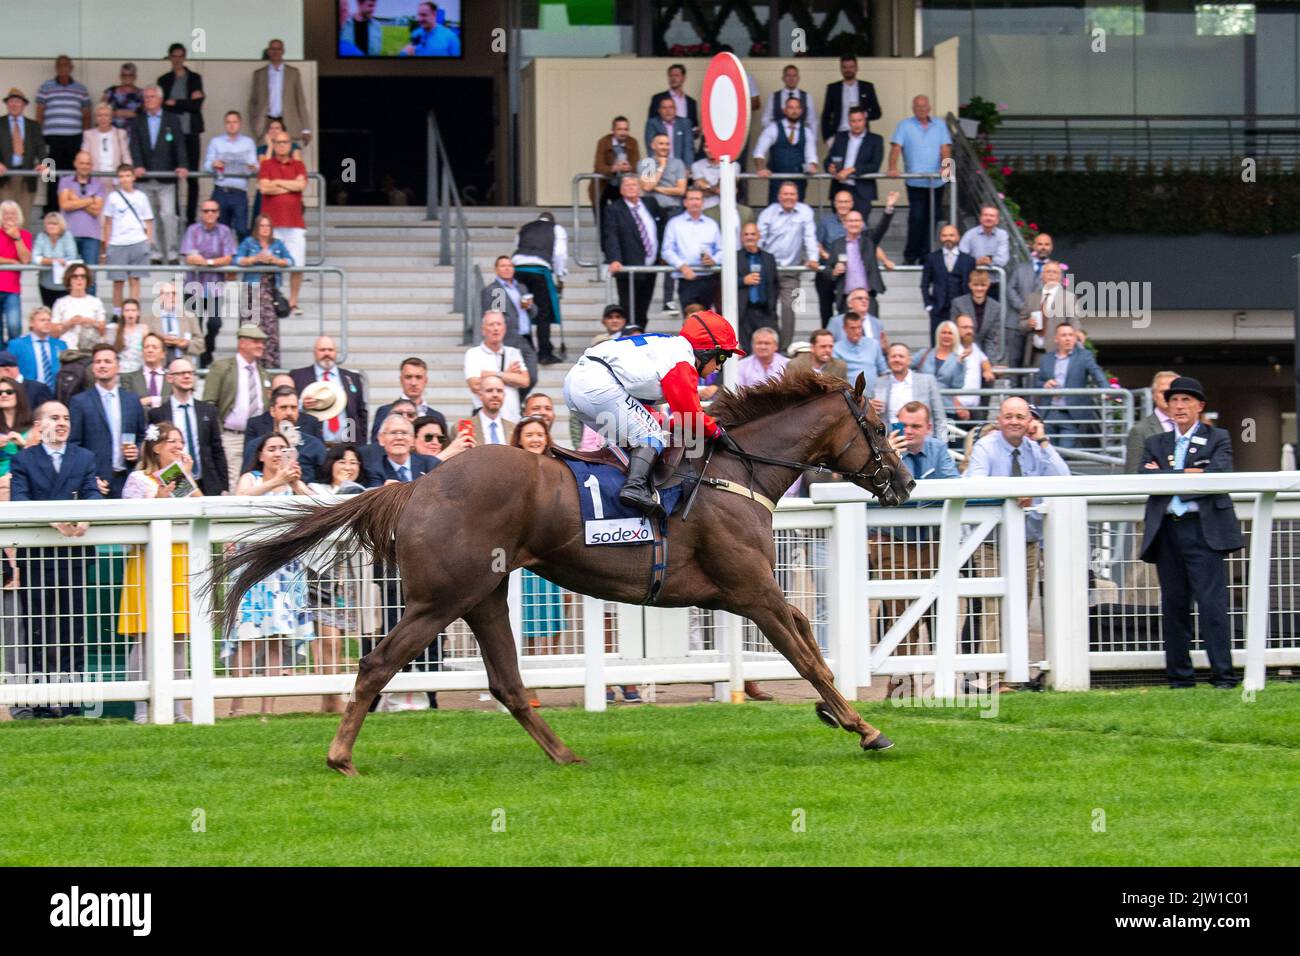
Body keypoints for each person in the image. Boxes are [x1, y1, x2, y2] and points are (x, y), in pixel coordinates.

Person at [564, 310, 745, 517]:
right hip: (596, 383)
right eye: (722, 356)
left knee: (628, 440)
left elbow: (641, 400)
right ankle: (634, 489)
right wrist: (718, 433)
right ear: (705, 351)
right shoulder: (683, 362)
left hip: (581, 383)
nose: (720, 366)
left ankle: (612, 494)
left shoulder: (671, 349)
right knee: (651, 436)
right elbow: (691, 415)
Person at [1138, 376, 1243, 689]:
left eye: (1186, 400)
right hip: (1167, 529)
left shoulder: (1218, 437)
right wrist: (1191, 473)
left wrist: (1170, 476)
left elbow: (1218, 475)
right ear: (1167, 407)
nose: (1180, 406)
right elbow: (1144, 475)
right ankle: (1180, 678)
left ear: (1200, 406)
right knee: (1173, 604)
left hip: (1202, 530)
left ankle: (1223, 675)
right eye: (1174, 401)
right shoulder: (1155, 442)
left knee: (1212, 604)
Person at [8, 401, 101, 713]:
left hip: (74, 555)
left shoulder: (84, 456)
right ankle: (41, 700)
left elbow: (92, 494)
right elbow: (19, 500)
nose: (62, 423)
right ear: (38, 425)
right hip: (37, 558)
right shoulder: (23, 460)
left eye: (66, 418)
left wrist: (86, 517)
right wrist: (52, 519)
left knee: (73, 628)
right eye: (54, 418)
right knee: (37, 628)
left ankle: (73, 700)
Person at [225, 431, 315, 717]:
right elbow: (240, 500)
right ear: (261, 454)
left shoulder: (293, 484)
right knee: (248, 636)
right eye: (272, 448)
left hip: (285, 571)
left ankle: (267, 711)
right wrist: (276, 481)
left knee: (277, 638)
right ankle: (237, 706)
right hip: (251, 568)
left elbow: (318, 506)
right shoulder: (250, 478)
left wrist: (295, 482)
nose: (278, 453)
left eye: (283, 449)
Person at [118, 421, 197, 723]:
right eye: (172, 441)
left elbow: (200, 507)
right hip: (147, 563)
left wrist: (186, 477)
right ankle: (141, 709)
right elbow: (132, 520)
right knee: (145, 635)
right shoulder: (138, 479)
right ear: (156, 447)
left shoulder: (181, 477)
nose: (178, 446)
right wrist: (163, 495)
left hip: (179, 559)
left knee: (178, 635)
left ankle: (177, 709)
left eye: (181, 441)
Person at [964, 396, 1070, 609]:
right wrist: (1011, 494)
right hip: (991, 543)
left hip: (1027, 542)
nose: (1014, 421)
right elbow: (975, 484)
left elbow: (1063, 478)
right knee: (991, 611)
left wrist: (1043, 441)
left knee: (1021, 608)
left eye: (1020, 417)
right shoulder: (986, 446)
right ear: (999, 419)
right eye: (1009, 416)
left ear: (1030, 421)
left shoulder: (1036, 449)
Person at [305, 443, 366, 713]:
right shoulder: (317, 490)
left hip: (347, 575)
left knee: (336, 639)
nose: (348, 466)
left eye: (353, 462)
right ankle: (331, 698)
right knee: (329, 639)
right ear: (330, 464)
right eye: (342, 461)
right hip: (319, 572)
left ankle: (330, 699)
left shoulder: (361, 493)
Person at [513, 416, 566, 676]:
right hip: (524, 550)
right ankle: (530, 674)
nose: (535, 439)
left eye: (539, 434)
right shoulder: (512, 470)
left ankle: (552, 665)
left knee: (555, 611)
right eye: (529, 434)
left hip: (553, 550)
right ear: (520, 440)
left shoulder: (558, 467)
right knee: (530, 616)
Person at [67, 343, 146, 497]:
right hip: (94, 483)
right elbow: (73, 445)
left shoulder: (132, 400)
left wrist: (137, 450)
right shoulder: (79, 402)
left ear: (118, 367)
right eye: (98, 362)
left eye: (107, 361)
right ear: (93, 367)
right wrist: (89, 478)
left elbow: (142, 436)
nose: (102, 365)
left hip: (127, 479)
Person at [146, 356, 228, 496]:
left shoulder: (208, 410)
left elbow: (217, 450)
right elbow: (154, 452)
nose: (187, 376)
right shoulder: (157, 414)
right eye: (181, 373)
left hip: (208, 480)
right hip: (173, 477)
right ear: (170, 378)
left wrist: (224, 487)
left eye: (190, 373)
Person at [204, 324, 270, 493]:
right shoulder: (222, 368)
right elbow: (209, 402)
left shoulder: (262, 372)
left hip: (258, 437)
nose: (261, 346)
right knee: (233, 480)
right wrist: (217, 433)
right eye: (256, 341)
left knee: (257, 478)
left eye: (262, 342)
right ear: (242, 343)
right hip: (232, 435)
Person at [887, 94, 952, 265]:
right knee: (916, 218)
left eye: (924, 106)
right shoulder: (905, 125)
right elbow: (896, 148)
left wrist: (947, 174)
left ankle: (925, 257)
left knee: (933, 218)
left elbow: (945, 149)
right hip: (915, 181)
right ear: (913, 109)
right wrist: (892, 167)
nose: (921, 109)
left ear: (929, 108)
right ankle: (910, 256)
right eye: (917, 107)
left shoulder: (940, 124)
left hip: (936, 182)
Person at [126, 86, 187, 264]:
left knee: (168, 215)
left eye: (152, 97)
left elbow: (180, 145)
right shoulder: (138, 122)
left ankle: (172, 252)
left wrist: (182, 165)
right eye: (146, 97)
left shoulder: (172, 119)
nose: (149, 100)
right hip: (145, 177)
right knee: (149, 217)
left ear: (160, 99)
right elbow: (134, 146)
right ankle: (155, 253)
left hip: (166, 176)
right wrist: (137, 166)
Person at [757, 181, 819, 350]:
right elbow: (759, 240)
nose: (789, 197)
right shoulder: (768, 213)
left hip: (791, 270)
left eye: (792, 194)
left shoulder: (805, 212)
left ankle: (784, 347)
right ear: (779, 196)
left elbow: (809, 236)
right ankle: (768, 345)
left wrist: (813, 257)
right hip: (768, 269)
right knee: (768, 308)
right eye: (785, 194)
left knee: (788, 308)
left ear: (797, 196)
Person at [233, 213, 292, 367]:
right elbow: (237, 259)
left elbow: (291, 261)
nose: (265, 229)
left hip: (269, 293)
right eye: (262, 226)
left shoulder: (277, 244)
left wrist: (276, 261)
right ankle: (248, 366)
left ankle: (271, 368)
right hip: (251, 291)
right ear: (257, 228)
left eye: (268, 226)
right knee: (249, 331)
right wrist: (255, 259)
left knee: (271, 333)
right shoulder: (248, 242)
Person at [257, 130, 307, 314]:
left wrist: (277, 182)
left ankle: (293, 302)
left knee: (298, 265)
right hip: (271, 225)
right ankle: (270, 300)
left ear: (290, 144)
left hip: (295, 224)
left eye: (285, 142)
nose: (282, 145)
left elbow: (301, 185)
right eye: (278, 142)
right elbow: (264, 188)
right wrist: (288, 185)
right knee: (268, 263)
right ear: (274, 144)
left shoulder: (298, 164)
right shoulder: (267, 164)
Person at [1036, 323, 1109, 448]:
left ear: (1075, 338)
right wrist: (1045, 384)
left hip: (1070, 414)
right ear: (1056, 339)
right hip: (1049, 413)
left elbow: (1096, 372)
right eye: (1064, 335)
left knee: (1065, 452)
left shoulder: (1084, 356)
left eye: (1071, 335)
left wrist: (1107, 389)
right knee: (1047, 452)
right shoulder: (1046, 359)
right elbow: (1037, 383)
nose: (1068, 338)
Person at [181, 199, 237, 360]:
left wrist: (208, 262)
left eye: (213, 211)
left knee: (215, 324)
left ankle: (207, 350)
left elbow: (227, 258)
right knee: (194, 325)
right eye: (206, 211)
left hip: (214, 286)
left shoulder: (225, 231)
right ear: (201, 213)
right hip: (193, 286)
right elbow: (189, 257)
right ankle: (196, 359)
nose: (210, 214)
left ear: (218, 213)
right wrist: (201, 260)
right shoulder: (193, 230)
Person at [602, 174, 660, 329]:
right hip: (627, 266)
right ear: (621, 190)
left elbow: (661, 228)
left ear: (640, 188)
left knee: (643, 307)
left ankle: (641, 337)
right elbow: (610, 235)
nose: (631, 187)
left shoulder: (651, 203)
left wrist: (662, 255)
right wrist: (614, 258)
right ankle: (628, 339)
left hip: (650, 266)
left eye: (634, 184)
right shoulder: (613, 209)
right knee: (628, 308)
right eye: (627, 185)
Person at [158, 43, 205, 226]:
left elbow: (197, 106)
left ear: (185, 57)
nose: (177, 59)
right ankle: (176, 216)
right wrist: (185, 102)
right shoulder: (163, 80)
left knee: (192, 177)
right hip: (172, 134)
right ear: (170, 57)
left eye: (180, 55)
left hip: (191, 132)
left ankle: (191, 219)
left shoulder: (195, 78)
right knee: (174, 176)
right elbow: (162, 106)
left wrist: (174, 102)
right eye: (174, 56)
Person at [511, 211, 567, 364]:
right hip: (540, 270)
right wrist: (559, 276)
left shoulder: (524, 228)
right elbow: (560, 254)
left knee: (523, 310)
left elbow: (517, 246)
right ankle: (544, 353)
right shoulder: (557, 229)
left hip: (518, 270)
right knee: (543, 313)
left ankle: (526, 350)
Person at [290, 335, 367, 444]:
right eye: (322, 350)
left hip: (346, 447)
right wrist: (302, 405)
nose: (327, 353)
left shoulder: (352, 378)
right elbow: (288, 408)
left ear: (336, 352)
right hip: (313, 447)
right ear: (314, 353)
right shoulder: (297, 376)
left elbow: (361, 413)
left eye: (330, 350)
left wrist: (360, 442)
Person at [826, 198, 896, 314]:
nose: (854, 224)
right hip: (846, 298)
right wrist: (834, 271)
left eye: (857, 221)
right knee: (847, 331)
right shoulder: (837, 244)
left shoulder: (869, 241)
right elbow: (827, 269)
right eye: (851, 221)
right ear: (844, 224)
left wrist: (888, 208)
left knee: (870, 330)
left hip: (867, 297)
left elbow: (882, 228)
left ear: (862, 224)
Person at [100, 164, 154, 311]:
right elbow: (108, 222)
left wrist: (148, 241)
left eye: (127, 175)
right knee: (118, 281)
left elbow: (149, 220)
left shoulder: (141, 197)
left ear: (133, 177)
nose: (124, 179)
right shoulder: (112, 197)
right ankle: (117, 313)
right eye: (121, 176)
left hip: (138, 241)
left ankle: (133, 312)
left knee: (135, 280)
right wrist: (107, 245)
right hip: (117, 243)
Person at [662, 187, 722, 311]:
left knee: (706, 319)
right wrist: (682, 266)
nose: (695, 202)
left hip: (708, 277)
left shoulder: (711, 224)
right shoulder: (675, 223)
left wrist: (714, 260)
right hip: (686, 278)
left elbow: (722, 249)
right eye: (691, 199)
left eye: (698, 199)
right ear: (685, 203)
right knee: (690, 320)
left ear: (703, 202)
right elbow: (667, 250)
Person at [872, 343, 949, 436]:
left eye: (901, 356)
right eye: (893, 356)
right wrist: (870, 407)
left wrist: (942, 443)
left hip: (922, 439)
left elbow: (940, 416)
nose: (897, 359)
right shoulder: (879, 383)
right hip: (890, 440)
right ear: (888, 360)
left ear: (909, 360)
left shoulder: (927, 381)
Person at [753, 97, 818, 205]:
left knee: (798, 211)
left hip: (799, 181)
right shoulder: (772, 129)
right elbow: (759, 153)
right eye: (791, 107)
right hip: (777, 181)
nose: (794, 111)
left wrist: (813, 166)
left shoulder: (807, 132)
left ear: (801, 111)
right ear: (784, 110)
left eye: (797, 108)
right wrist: (761, 168)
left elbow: (811, 157)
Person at [56, 151, 107, 291]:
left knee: (90, 276)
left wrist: (75, 198)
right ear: (75, 164)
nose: (84, 166)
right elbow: (65, 205)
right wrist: (90, 200)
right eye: (82, 163)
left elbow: (96, 210)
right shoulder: (65, 181)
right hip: (68, 234)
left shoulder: (98, 184)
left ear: (91, 166)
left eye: (88, 163)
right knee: (67, 275)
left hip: (91, 235)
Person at [465, 311, 529, 422]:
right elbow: (475, 385)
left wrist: (492, 374)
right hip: (486, 420)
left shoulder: (513, 353)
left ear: (504, 329)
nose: (495, 328)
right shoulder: (473, 354)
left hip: (512, 420)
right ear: (483, 330)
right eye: (491, 324)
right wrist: (509, 375)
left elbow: (524, 381)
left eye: (499, 324)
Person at [204, 110, 258, 239]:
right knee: (220, 230)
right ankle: (223, 259)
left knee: (242, 229)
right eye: (228, 122)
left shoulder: (248, 142)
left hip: (239, 192)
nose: (232, 125)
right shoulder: (216, 142)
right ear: (224, 124)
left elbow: (255, 166)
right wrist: (213, 164)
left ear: (240, 124)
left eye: (235, 122)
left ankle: (241, 258)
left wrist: (253, 167)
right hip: (221, 191)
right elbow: (206, 165)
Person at [249, 39, 313, 147]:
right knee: (265, 158)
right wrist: (255, 123)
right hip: (266, 123)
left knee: (289, 158)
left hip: (288, 123)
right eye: (273, 49)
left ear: (283, 51)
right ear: (268, 51)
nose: (275, 52)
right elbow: (253, 102)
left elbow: (300, 102)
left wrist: (306, 129)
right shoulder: (259, 74)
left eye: (278, 49)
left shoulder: (293, 73)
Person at [0, 88, 48, 229]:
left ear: (24, 105)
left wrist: (45, 164)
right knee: (5, 217)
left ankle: (23, 250)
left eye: (18, 101)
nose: (14, 104)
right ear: (7, 104)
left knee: (24, 218)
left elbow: (41, 147)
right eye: (11, 101)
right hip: (5, 178)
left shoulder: (33, 125)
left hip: (27, 177)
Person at [824, 107, 883, 215]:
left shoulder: (876, 139)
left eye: (859, 120)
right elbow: (828, 160)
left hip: (862, 191)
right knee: (839, 226)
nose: (857, 124)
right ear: (848, 122)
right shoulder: (840, 137)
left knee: (859, 227)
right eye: (853, 121)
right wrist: (830, 168)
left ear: (865, 120)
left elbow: (875, 166)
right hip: (840, 188)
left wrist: (851, 170)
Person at [371, 357, 444, 440]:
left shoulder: (438, 417)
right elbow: (376, 446)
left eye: (418, 377)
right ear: (401, 380)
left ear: (426, 381)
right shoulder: (385, 411)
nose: (413, 383)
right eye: (408, 377)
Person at [921, 223, 974, 337]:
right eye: (944, 235)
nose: (948, 238)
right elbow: (924, 284)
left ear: (958, 237)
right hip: (938, 308)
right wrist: (929, 305)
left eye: (951, 235)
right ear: (940, 238)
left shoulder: (968, 260)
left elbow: (971, 285)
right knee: (937, 341)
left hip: (961, 309)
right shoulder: (931, 258)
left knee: (960, 341)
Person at [1019, 260, 1075, 367]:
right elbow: (1021, 324)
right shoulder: (1031, 298)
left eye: (1055, 272)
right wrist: (1028, 323)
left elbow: (1073, 321)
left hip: (1057, 352)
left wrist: (1077, 332)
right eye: (1048, 272)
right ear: (1042, 276)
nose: (1051, 275)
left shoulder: (1068, 298)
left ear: (1060, 277)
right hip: (1034, 354)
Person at [952, 267, 1011, 367]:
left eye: (983, 285)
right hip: (961, 353)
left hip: (985, 354)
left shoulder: (995, 307)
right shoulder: (958, 303)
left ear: (988, 285)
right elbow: (955, 332)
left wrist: (990, 365)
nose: (979, 288)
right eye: (976, 285)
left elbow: (991, 339)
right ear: (970, 285)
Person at [735, 222, 779, 352]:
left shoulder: (769, 258)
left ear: (759, 236)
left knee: (767, 348)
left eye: (753, 234)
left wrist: (772, 306)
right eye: (746, 234)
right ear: (741, 238)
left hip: (765, 311)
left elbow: (774, 284)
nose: (750, 237)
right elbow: (724, 283)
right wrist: (743, 280)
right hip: (744, 311)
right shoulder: (734, 257)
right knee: (747, 350)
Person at [911, 320, 966, 419]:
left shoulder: (958, 359)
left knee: (945, 434)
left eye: (950, 333)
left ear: (955, 337)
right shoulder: (925, 353)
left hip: (946, 407)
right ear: (938, 335)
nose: (946, 336)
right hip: (922, 405)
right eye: (943, 332)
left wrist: (960, 365)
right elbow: (905, 365)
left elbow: (957, 386)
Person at [1125, 370, 1179, 470]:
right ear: (1154, 395)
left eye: (1173, 391)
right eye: (1163, 392)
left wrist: (1162, 469)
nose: (1168, 396)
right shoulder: (1140, 430)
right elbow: (1132, 472)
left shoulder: (1190, 425)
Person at [50, 262, 110, 352]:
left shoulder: (96, 302)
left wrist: (90, 322)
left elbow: (103, 330)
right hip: (67, 351)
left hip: (91, 349)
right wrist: (69, 324)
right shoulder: (60, 303)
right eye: (75, 276)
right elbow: (53, 333)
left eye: (83, 276)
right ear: (69, 280)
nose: (79, 279)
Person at [589, 116, 639, 222]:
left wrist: (628, 167)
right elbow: (598, 166)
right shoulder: (603, 142)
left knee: (623, 219)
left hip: (621, 186)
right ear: (613, 130)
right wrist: (614, 168)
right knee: (601, 221)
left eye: (626, 129)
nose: (623, 132)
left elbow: (636, 163)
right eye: (620, 129)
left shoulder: (632, 142)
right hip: (603, 186)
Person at [821, 54, 882, 141]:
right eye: (845, 67)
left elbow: (877, 112)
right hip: (839, 134)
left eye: (851, 67)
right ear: (841, 69)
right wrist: (828, 138)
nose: (848, 70)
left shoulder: (867, 87)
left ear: (857, 68)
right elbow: (826, 115)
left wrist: (864, 114)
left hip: (862, 135)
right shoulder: (833, 88)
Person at [481, 255, 537, 347]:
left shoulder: (521, 288)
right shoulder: (496, 290)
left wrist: (530, 306)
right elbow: (495, 317)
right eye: (503, 266)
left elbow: (534, 313)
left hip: (526, 337)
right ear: (496, 269)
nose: (507, 269)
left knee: (531, 360)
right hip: (508, 340)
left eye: (510, 266)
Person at [8, 306, 66, 391]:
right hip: (27, 393)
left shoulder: (61, 345)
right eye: (42, 320)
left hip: (55, 393)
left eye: (49, 320)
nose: (47, 323)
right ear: (31, 323)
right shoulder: (17, 344)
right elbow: (9, 370)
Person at [952, 312, 996, 425]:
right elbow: (943, 381)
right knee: (951, 441)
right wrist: (957, 406)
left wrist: (987, 370)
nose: (969, 331)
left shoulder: (974, 347)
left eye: (971, 328)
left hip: (974, 410)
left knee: (974, 441)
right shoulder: (950, 350)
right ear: (955, 329)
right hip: (953, 411)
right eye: (965, 327)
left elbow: (984, 360)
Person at [144, 281, 202, 363]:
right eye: (167, 294)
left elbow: (200, 345)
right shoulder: (147, 319)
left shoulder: (190, 317)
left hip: (183, 365)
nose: (171, 296)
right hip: (158, 365)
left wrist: (185, 344)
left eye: (174, 294)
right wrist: (160, 341)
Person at [0, 201, 33, 344]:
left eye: (12, 213)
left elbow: (25, 260)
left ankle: (13, 358)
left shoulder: (25, 235)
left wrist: (16, 237)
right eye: (6, 213)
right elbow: (17, 261)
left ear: (18, 215)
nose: (9, 216)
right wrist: (11, 262)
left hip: (12, 288)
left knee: (15, 327)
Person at [31, 212, 78, 309]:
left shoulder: (67, 236)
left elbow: (72, 257)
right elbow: (35, 258)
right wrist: (54, 261)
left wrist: (45, 260)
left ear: (61, 225)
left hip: (64, 284)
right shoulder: (41, 236)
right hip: (46, 283)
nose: (51, 226)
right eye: (49, 223)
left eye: (54, 224)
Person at [0, 374, 39, 485]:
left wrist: (23, 444)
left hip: (26, 480)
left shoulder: (34, 426)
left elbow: (43, 459)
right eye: (0, 392)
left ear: (19, 395)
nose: (3, 395)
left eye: (9, 392)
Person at [646, 64, 699, 139]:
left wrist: (696, 132)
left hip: (685, 143)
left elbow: (694, 126)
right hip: (664, 142)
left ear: (683, 78)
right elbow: (652, 124)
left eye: (676, 75)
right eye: (670, 76)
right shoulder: (658, 99)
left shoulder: (691, 102)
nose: (673, 78)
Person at [1007, 231, 1055, 316]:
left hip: (1045, 321)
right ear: (1034, 246)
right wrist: (1023, 308)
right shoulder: (1019, 268)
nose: (1043, 247)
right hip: (1016, 321)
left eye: (1047, 244)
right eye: (1040, 244)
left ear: (1051, 247)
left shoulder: (1057, 270)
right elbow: (1010, 289)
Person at [762, 64, 817, 136]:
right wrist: (773, 134)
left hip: (800, 139)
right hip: (779, 139)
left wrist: (812, 139)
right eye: (788, 76)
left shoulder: (807, 97)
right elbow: (765, 119)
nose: (791, 79)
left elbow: (812, 120)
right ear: (783, 78)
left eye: (794, 76)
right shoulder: (774, 97)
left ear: (798, 78)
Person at [833, 312, 888, 385]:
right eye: (852, 328)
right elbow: (835, 377)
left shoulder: (873, 344)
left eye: (859, 327)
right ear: (844, 328)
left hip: (874, 394)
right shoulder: (836, 348)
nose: (857, 331)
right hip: (849, 394)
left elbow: (883, 371)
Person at [643, 96, 694, 167]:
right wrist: (657, 167)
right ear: (659, 110)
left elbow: (688, 148)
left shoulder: (685, 123)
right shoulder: (652, 124)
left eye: (671, 107)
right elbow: (651, 149)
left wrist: (688, 168)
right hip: (659, 165)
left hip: (680, 167)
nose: (668, 111)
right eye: (664, 108)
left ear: (676, 110)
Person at [958, 205, 1010, 274]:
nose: (988, 218)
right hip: (974, 280)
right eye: (985, 215)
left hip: (995, 280)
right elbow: (962, 258)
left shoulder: (1002, 235)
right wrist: (976, 262)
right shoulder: (970, 234)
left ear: (997, 221)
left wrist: (989, 260)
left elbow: (1003, 259)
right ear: (980, 218)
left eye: (992, 216)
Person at [469, 373, 516, 446]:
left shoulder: (514, 429)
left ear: (504, 395)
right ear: (480, 395)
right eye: (489, 390)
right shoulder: (464, 428)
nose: (495, 395)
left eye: (499, 391)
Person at [82, 103, 130, 174]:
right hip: (95, 176)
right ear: (96, 118)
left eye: (106, 115)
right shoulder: (88, 135)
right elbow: (84, 157)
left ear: (111, 118)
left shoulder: (120, 134)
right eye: (99, 115)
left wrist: (127, 174)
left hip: (116, 176)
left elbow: (126, 156)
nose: (103, 118)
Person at [102, 63, 143, 130]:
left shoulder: (142, 94)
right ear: (120, 76)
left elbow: (146, 115)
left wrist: (132, 114)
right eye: (124, 75)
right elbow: (100, 112)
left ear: (135, 77)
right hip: (112, 134)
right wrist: (115, 113)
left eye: (130, 75)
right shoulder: (110, 92)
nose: (127, 77)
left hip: (135, 135)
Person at [113, 298, 147, 375]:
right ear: (122, 313)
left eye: (133, 310)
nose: (130, 313)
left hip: (138, 370)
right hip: (120, 371)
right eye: (127, 310)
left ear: (138, 313)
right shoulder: (115, 329)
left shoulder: (143, 329)